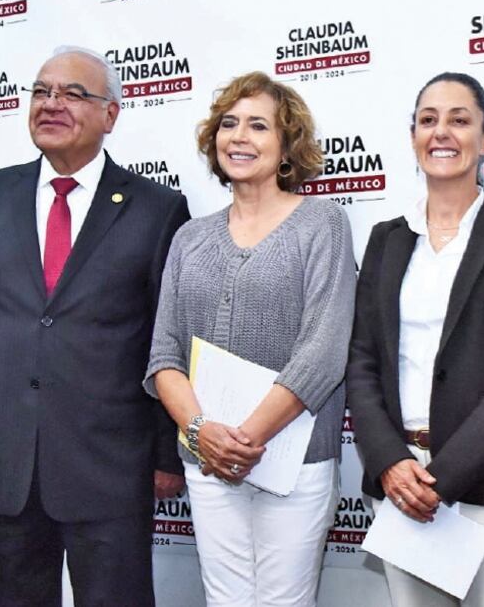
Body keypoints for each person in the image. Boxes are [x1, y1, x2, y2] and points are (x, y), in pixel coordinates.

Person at [0, 45, 190, 606]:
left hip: (113, 466)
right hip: (6, 459)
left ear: (110, 115)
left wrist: (168, 455)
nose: (52, 104)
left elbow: (170, 342)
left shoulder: (157, 208)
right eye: (42, 91)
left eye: (74, 94)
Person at [145, 71, 355, 607]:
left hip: (295, 456)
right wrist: (201, 434)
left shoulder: (322, 224)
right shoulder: (190, 237)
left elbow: (324, 352)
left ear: (287, 146)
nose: (239, 137)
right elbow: (164, 353)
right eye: (229, 124)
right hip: (208, 460)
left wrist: (245, 440)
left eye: (258, 125)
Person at [348, 72, 484, 607]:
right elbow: (362, 361)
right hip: (399, 485)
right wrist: (391, 463)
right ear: (412, 135)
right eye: (428, 120)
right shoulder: (385, 239)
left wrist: (440, 479)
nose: (442, 133)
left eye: (460, 120)